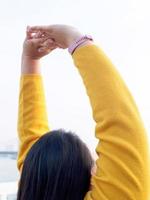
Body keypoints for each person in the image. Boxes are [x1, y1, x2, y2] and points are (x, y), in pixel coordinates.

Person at [17, 24, 150, 200]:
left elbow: (33, 155)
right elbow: (122, 126)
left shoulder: (33, 188)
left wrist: (31, 59)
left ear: (28, 178)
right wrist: (75, 40)